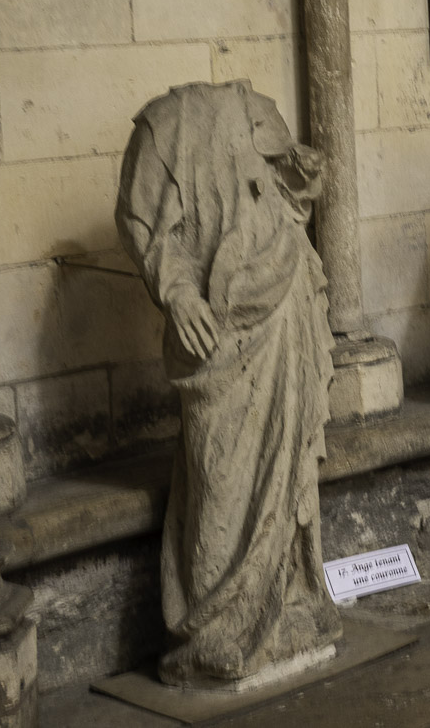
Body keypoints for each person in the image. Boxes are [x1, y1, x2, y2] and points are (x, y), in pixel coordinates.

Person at [115, 81, 340, 689]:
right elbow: (141, 226)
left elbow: (287, 203)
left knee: (288, 462)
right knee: (219, 473)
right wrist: (177, 291)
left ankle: (285, 598)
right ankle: (215, 625)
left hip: (283, 302)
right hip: (215, 329)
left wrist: (302, 176)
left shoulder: (261, 108)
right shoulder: (162, 127)